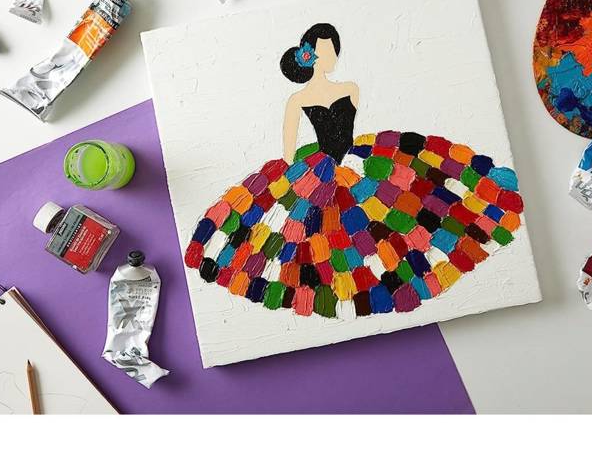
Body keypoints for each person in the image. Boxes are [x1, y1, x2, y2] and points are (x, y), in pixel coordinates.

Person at [185, 24, 524, 321]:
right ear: (311, 56)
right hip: (336, 166)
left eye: (334, 48)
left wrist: (309, 160)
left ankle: (393, 271)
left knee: (399, 209)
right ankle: (350, 284)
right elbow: (290, 154)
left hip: (355, 162)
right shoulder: (322, 95)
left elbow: (289, 154)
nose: (333, 55)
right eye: (328, 50)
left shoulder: (336, 91)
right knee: (330, 232)